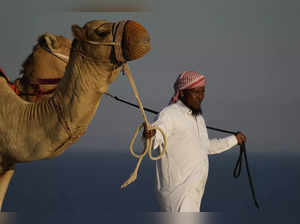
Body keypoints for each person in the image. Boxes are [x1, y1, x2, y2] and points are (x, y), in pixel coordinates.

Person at [143, 70, 246, 212]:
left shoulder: (198, 118)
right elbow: (155, 137)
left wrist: (234, 139)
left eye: (202, 92)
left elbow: (205, 147)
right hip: (177, 194)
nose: (200, 97)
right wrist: (150, 134)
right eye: (196, 92)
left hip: (193, 194)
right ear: (183, 93)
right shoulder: (169, 114)